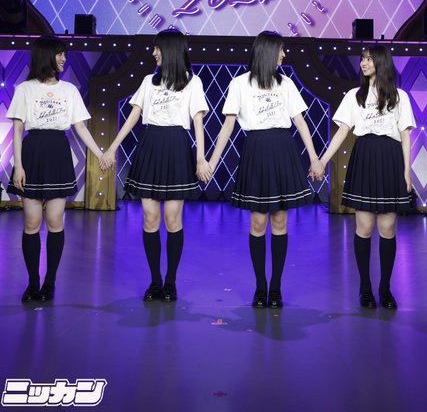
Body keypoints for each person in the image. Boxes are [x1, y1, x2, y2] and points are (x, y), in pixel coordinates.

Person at [208, 31, 324, 309]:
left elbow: (301, 122)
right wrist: (212, 161)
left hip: (283, 150)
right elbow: (227, 126)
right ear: (268, 51)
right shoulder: (239, 84)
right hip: (256, 151)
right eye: (281, 49)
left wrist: (315, 158)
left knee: (280, 223)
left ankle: (276, 287)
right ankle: (261, 286)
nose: (284, 55)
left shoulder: (286, 84)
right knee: (258, 223)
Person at [101, 28, 211, 302]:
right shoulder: (148, 82)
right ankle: (155, 280)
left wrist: (201, 157)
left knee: (173, 219)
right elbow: (133, 117)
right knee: (150, 218)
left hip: (177, 148)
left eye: (157, 48)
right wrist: (112, 148)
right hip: (150, 146)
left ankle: (171, 282)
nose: (153, 53)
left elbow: (198, 122)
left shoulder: (192, 82)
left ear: (169, 50)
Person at [7, 36, 104, 303]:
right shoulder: (25, 89)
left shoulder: (69, 90)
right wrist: (19, 166)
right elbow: (17, 131)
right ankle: (32, 283)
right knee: (31, 223)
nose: (63, 59)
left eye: (64, 54)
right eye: (58, 54)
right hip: (32, 153)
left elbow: (80, 127)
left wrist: (100, 154)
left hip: (58, 153)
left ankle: (49, 282)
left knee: (55, 222)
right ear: (45, 56)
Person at [320, 45, 416, 309]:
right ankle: (365, 287)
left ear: (381, 62)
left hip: (390, 159)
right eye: (362, 59)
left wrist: (406, 171)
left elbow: (405, 136)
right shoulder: (354, 96)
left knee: (387, 229)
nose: (363, 63)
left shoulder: (400, 96)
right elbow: (342, 131)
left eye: (369, 59)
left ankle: (385, 288)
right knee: (363, 228)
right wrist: (322, 161)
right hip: (364, 157)